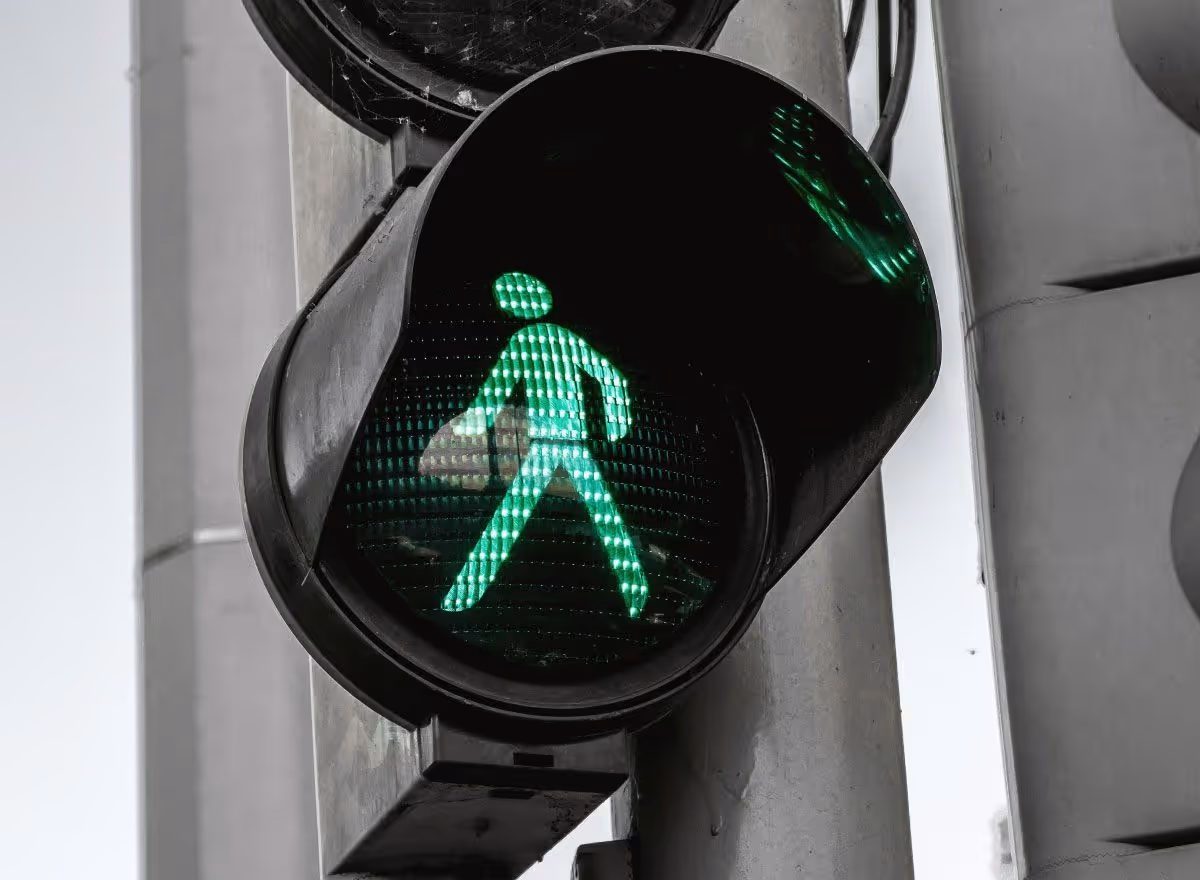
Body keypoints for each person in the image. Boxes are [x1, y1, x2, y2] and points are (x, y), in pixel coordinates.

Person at [441, 271, 649, 618]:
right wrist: (615, 423)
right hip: (572, 442)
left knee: (510, 517)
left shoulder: (525, 341)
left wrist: (473, 426)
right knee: (606, 518)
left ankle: (465, 592)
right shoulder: (566, 338)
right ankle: (636, 592)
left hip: (548, 445)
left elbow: (496, 388)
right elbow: (609, 376)